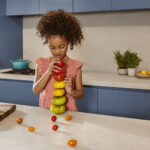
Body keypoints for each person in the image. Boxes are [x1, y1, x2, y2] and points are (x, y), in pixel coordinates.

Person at [33, 9, 84, 111]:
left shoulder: (75, 66)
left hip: (69, 113)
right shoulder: (41, 63)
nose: (57, 51)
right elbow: (36, 90)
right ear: (47, 43)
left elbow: (80, 94)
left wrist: (71, 91)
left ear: (68, 42)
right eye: (52, 47)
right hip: (46, 114)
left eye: (61, 47)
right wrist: (48, 72)